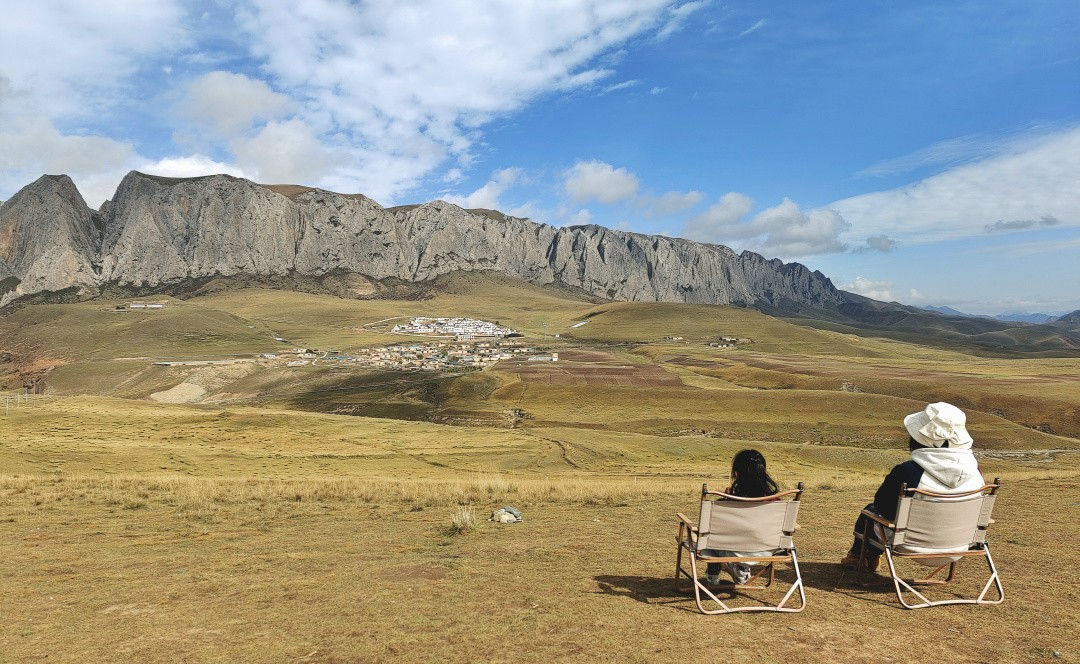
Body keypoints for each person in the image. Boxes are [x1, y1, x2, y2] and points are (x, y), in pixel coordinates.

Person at [840, 402, 985, 571]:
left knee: (870, 512)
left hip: (911, 545)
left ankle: (861, 557)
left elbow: (884, 508)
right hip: (961, 546)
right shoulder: (976, 472)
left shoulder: (908, 472)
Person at [704, 448, 780, 585]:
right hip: (767, 551)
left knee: (705, 536)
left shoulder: (729, 502)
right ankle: (740, 569)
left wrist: (725, 500)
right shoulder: (776, 502)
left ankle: (714, 570)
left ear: (737, 473)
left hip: (734, 552)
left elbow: (716, 527)